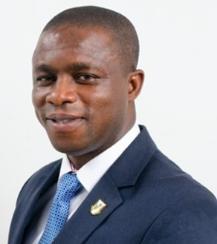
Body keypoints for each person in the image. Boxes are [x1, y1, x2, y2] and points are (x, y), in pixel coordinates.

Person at [9, 6, 217, 244]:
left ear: (132, 86)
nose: (59, 95)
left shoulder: (185, 209)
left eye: (85, 77)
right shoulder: (37, 187)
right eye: (46, 79)